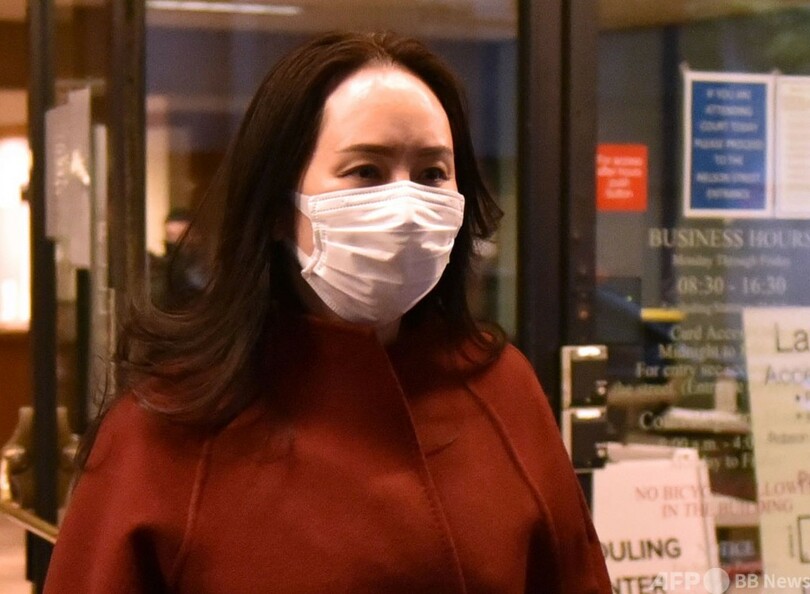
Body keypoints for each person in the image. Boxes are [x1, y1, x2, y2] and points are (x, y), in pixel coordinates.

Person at [43, 31, 611, 593]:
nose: (407, 208)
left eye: (432, 173)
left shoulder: (502, 388)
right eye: (366, 170)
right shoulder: (169, 424)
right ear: (276, 207)